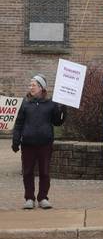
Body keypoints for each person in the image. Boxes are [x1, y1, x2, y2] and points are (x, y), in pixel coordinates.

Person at [11, 75, 66, 210]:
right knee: (28, 172)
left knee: (45, 172)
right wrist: (15, 141)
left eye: (33, 85)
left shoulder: (50, 103)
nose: (31, 87)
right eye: (30, 85)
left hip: (45, 144)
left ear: (41, 88)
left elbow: (57, 122)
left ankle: (43, 198)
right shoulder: (25, 103)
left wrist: (63, 109)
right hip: (28, 144)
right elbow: (19, 123)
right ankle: (29, 198)